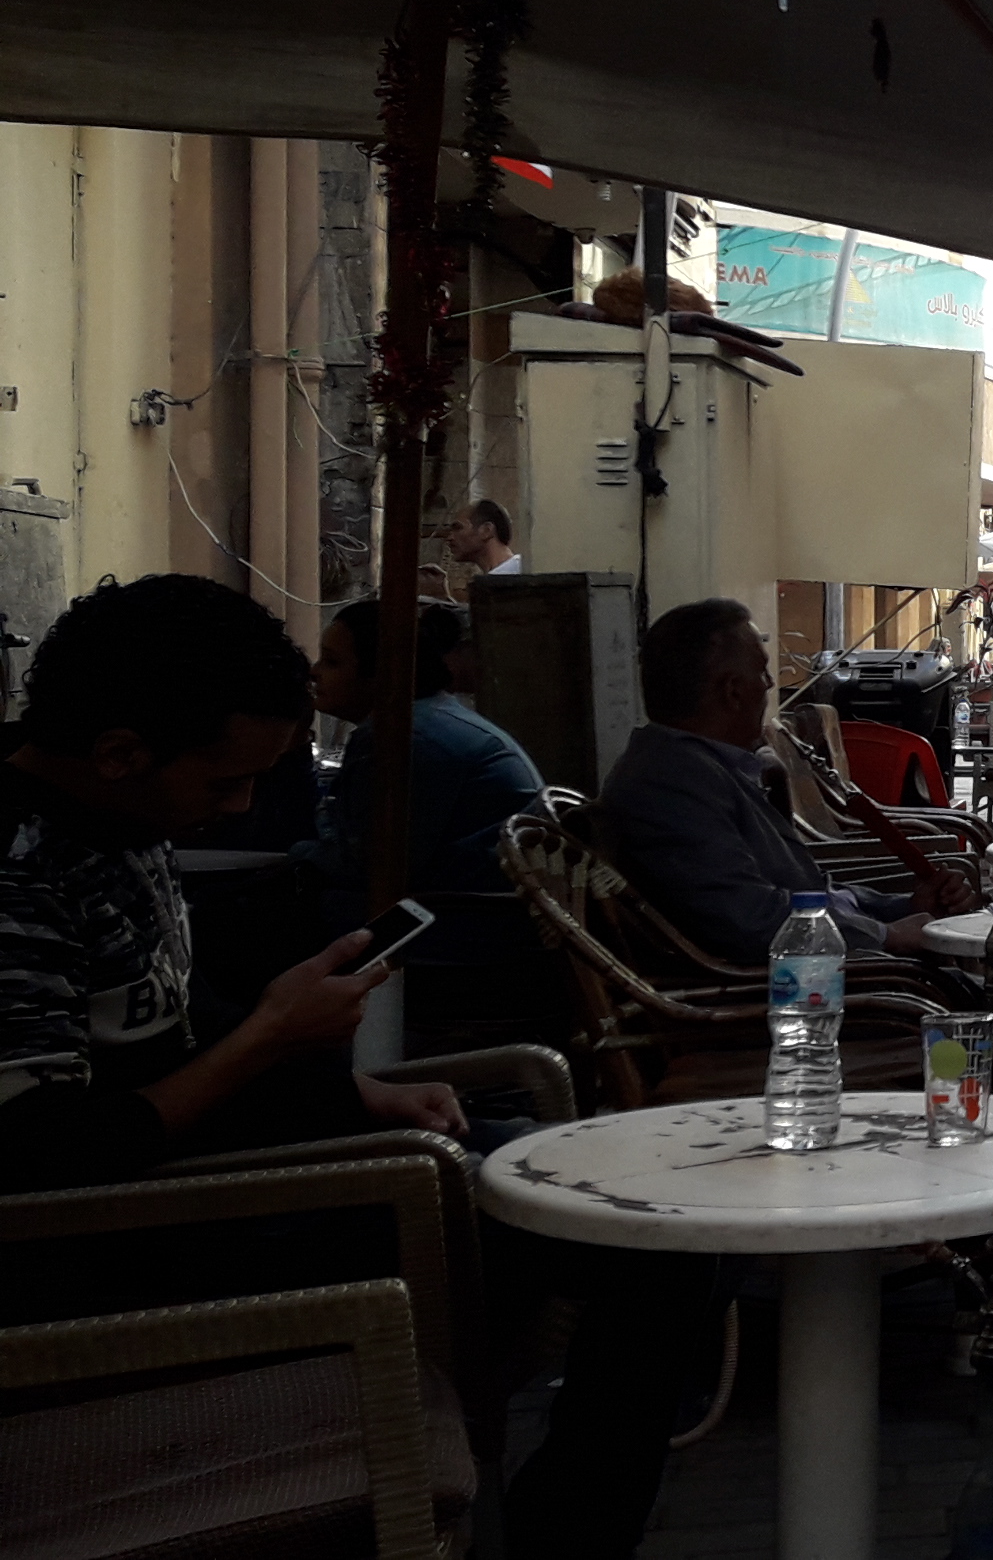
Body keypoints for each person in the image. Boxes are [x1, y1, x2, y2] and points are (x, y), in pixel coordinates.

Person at [0, 575, 713, 1557]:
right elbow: (45, 1151)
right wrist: (270, 1037)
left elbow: (168, 1028)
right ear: (119, 753)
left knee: (645, 1218)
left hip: (227, 1169)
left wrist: (352, 1090)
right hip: (129, 1240)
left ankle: (524, 1500)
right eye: (222, 783)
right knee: (633, 1246)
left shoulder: (118, 819)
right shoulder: (19, 868)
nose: (240, 807)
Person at [605, 599, 972, 961]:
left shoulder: (702, 767)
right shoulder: (668, 785)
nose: (769, 684)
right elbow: (749, 920)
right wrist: (889, 935)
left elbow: (809, 894)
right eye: (762, 672)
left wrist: (902, 908)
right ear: (733, 691)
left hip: (827, 958)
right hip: (803, 983)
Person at [298, 596, 544, 917]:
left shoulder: (404, 735)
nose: (314, 672)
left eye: (332, 662)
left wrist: (297, 853)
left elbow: (368, 866)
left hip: (472, 920)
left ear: (380, 673)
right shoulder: (427, 719)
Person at [446, 496, 522, 579]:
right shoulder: (493, 580)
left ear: (486, 531)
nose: (450, 538)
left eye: (458, 528)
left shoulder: (524, 571)